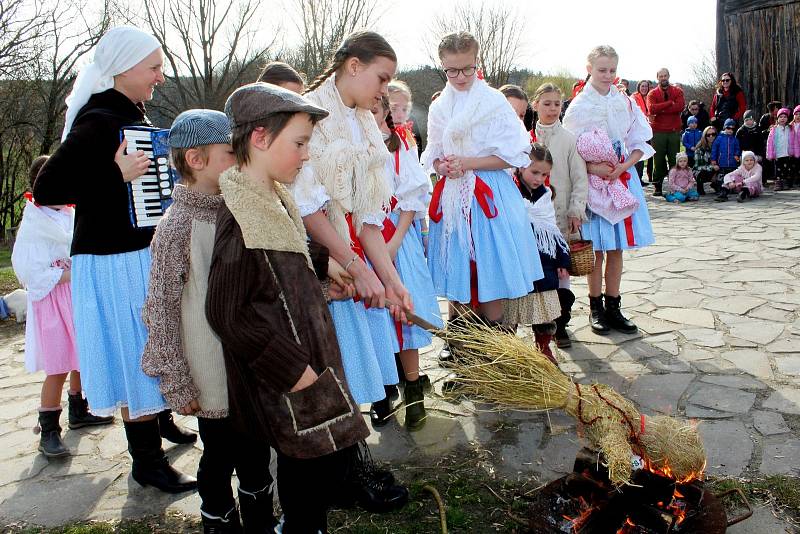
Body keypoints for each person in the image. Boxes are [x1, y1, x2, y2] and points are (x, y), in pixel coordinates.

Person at [206, 82, 394, 533]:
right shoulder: (240, 219)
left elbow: (286, 250)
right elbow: (227, 314)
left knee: (310, 474)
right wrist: (295, 371)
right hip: (288, 381)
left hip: (304, 369)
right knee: (307, 477)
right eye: (300, 143)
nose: (306, 155)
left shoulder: (272, 199)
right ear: (259, 138)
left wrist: (327, 264)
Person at [32, 26, 196, 493]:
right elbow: (48, 190)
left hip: (134, 254)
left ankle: (156, 429)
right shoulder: (98, 120)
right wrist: (113, 174)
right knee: (136, 351)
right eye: (153, 68)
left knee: (150, 343)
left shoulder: (131, 117)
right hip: (110, 260)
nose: (160, 77)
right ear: (123, 69)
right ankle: (147, 462)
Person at [140, 110, 277, 532]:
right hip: (208, 364)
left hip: (249, 358)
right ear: (197, 160)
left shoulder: (243, 209)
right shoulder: (176, 226)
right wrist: (174, 377)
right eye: (230, 153)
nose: (240, 160)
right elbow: (160, 307)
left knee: (256, 445)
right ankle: (217, 516)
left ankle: (258, 514)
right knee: (218, 451)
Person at [291, 31, 412, 428]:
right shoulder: (308, 114)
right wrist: (353, 266)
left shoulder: (362, 123)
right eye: (381, 78)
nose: (384, 90)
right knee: (323, 370)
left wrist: (392, 281)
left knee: (351, 369)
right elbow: (307, 208)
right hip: (311, 257)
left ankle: (351, 461)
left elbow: (367, 218)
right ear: (354, 66)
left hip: (345, 252)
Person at [422, 31, 542, 336]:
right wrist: (442, 165)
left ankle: (499, 346)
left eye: (467, 69)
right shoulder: (439, 107)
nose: (460, 77)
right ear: (442, 67)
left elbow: (512, 156)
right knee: (460, 273)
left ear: (477, 64)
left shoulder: (493, 101)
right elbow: (434, 153)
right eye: (452, 70)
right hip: (454, 195)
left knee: (492, 271)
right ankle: (464, 347)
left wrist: (469, 163)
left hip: (491, 194)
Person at [12, 156, 114, 459]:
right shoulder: (35, 222)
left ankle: (79, 408)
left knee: (80, 355)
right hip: (53, 300)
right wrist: (70, 272)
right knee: (58, 365)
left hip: (74, 294)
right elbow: (29, 271)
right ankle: (49, 429)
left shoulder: (67, 214)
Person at [563, 45, 654, 335]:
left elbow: (638, 141)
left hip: (621, 178)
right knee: (597, 247)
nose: (608, 75)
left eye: (612, 70)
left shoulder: (624, 102)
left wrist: (625, 165)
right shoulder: (579, 106)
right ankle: (595, 307)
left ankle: (614, 305)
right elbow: (570, 150)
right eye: (602, 70)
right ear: (589, 69)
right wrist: (592, 169)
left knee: (616, 247)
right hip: (594, 183)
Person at [371, 96, 441, 430]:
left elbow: (413, 197)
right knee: (376, 319)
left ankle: (413, 390)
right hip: (363, 239)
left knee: (405, 316)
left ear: (385, 111)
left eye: (373, 110)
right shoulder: (349, 149)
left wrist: (396, 241)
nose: (367, 117)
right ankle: (383, 392)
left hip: (397, 236)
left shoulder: (400, 148)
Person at [530, 83, 587, 348]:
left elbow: (579, 176)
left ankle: (561, 323)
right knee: (539, 274)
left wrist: (576, 209)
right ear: (535, 105)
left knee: (561, 269)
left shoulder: (568, 139)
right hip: (532, 220)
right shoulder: (526, 138)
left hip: (560, 213)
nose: (552, 109)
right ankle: (540, 327)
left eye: (557, 104)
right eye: (547, 103)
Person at [511, 143, 570, 362]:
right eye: (534, 172)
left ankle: (543, 346)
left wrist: (561, 261)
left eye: (544, 174)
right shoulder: (510, 190)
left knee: (544, 304)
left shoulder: (545, 196)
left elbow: (551, 230)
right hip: (518, 258)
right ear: (521, 167)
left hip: (544, 260)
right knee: (514, 303)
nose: (539, 179)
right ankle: (509, 347)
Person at [576, 129, 640, 223]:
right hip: (588, 179)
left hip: (624, 175)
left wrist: (622, 167)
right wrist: (593, 168)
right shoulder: (577, 115)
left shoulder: (631, 113)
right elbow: (571, 151)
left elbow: (639, 146)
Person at [646, 68, 685, 196]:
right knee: (658, 160)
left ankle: (676, 185)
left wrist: (661, 108)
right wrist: (669, 103)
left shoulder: (677, 91)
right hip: (658, 131)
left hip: (673, 130)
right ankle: (658, 185)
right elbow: (651, 109)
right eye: (661, 76)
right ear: (657, 78)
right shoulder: (652, 93)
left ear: (669, 76)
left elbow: (680, 106)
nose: (663, 78)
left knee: (675, 159)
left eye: (665, 75)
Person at [388, 79, 424, 151]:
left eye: (404, 109)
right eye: (393, 109)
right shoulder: (373, 139)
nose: (400, 115)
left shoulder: (409, 139)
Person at [766, 107, 795, 191]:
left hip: (787, 153)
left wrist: (793, 151)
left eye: (785, 117)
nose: (783, 119)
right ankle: (778, 183)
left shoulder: (790, 128)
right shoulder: (774, 129)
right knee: (778, 169)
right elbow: (770, 142)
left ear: (787, 118)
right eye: (781, 117)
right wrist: (769, 154)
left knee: (787, 169)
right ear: (777, 118)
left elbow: (793, 141)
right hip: (778, 154)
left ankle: (785, 182)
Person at [630, 80, 653, 183]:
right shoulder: (634, 97)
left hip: (648, 129)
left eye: (646, 86)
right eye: (642, 86)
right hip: (638, 130)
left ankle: (645, 177)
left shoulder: (650, 96)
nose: (644, 88)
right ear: (638, 87)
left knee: (647, 154)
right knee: (638, 154)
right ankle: (637, 179)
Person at [711, 118, 741, 192]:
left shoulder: (735, 139)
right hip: (722, 163)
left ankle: (731, 188)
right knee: (721, 177)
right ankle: (720, 187)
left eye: (732, 129)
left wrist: (736, 155)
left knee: (731, 177)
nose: (730, 130)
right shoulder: (719, 138)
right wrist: (714, 160)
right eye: (728, 128)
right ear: (724, 128)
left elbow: (737, 149)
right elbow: (714, 150)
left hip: (732, 163)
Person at [760, 101, 783, 184]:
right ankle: (765, 178)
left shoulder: (783, 117)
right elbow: (760, 132)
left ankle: (779, 178)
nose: (775, 111)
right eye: (774, 109)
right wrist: (768, 130)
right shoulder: (765, 118)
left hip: (780, 142)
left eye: (777, 109)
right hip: (768, 142)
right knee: (766, 159)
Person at [693, 126, 719, 195]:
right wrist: (712, 167)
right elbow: (698, 166)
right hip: (702, 171)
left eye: (713, 134)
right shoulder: (699, 149)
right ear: (704, 136)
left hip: (716, 170)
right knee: (700, 173)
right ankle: (700, 188)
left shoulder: (719, 147)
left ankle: (715, 184)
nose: (711, 136)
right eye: (708, 135)